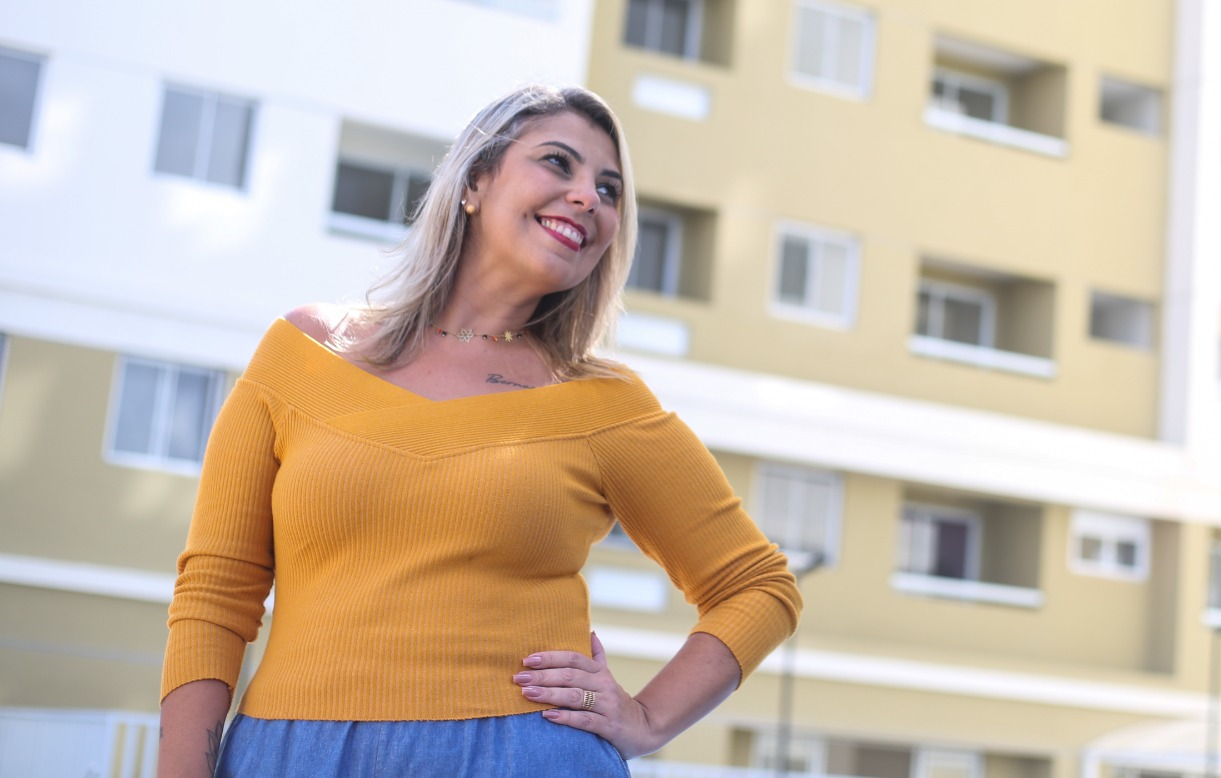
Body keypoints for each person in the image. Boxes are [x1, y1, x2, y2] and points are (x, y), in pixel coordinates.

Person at [157, 84, 803, 778]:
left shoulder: (603, 404)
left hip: (523, 755)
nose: (589, 197)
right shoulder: (301, 355)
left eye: (609, 189)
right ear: (474, 180)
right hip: (293, 754)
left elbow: (758, 587)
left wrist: (646, 719)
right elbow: (216, 593)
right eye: (559, 163)